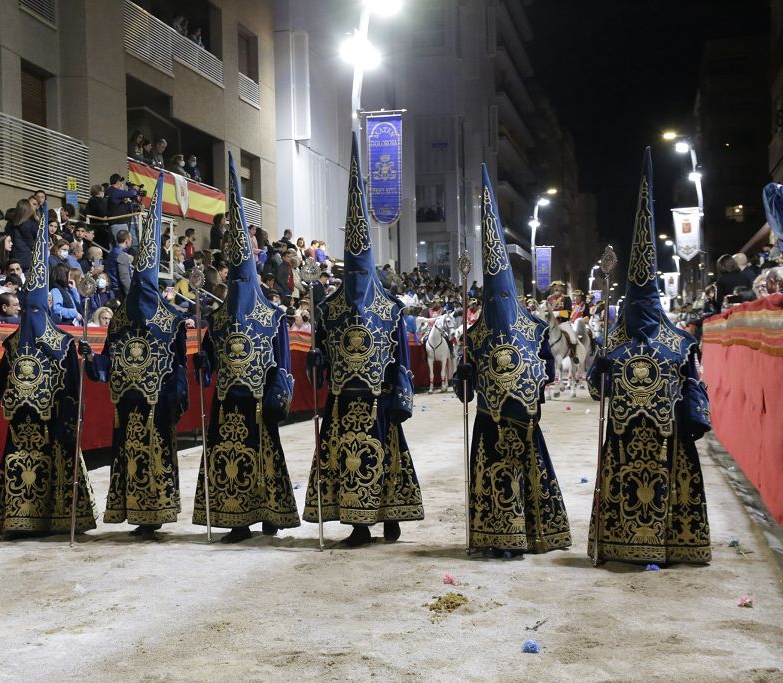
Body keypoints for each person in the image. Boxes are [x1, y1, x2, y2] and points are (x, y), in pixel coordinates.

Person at [587, 148, 711, 565]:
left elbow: (694, 387)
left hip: (666, 444)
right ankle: (620, 542)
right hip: (623, 445)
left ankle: (673, 543)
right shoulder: (612, 345)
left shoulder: (679, 344)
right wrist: (599, 370)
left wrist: (695, 416)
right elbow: (593, 390)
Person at [304, 135, 423, 547]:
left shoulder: (390, 308)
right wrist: (316, 360)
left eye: (360, 273)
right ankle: (358, 524)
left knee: (385, 461)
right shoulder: (330, 309)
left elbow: (402, 358)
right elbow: (321, 347)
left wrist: (400, 396)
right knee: (349, 463)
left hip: (379, 400)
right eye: (349, 274)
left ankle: (389, 518)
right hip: (341, 402)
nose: (354, 282)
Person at [451, 165, 571, 555]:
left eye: (505, 299)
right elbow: (463, 392)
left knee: (527, 477)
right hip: (487, 420)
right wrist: (464, 376)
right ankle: (493, 538)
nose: (499, 306)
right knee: (492, 479)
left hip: (523, 420)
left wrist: (534, 382)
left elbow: (548, 370)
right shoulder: (474, 334)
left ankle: (530, 536)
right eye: (494, 300)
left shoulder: (535, 328)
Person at [192, 154, 299, 542]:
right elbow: (207, 356)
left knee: (265, 459)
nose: (236, 289)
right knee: (229, 461)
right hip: (226, 405)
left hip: (259, 403)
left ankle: (270, 516)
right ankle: (236, 520)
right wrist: (203, 360)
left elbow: (283, 362)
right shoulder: (218, 318)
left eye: (242, 281)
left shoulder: (272, 316)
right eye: (231, 282)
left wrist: (278, 395)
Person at [0, 202, 98, 536]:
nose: (28, 316)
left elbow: (72, 388)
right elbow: (0, 386)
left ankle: (59, 519)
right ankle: (17, 521)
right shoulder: (12, 345)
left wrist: (72, 420)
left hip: (53, 423)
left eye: (35, 309)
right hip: (20, 425)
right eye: (24, 309)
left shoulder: (62, 343)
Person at [84, 174, 189, 539]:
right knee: (128, 456)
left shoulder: (172, 320)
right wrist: (91, 360)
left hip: (157, 404)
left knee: (156, 455)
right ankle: (132, 511)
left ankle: (156, 513)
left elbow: (178, 364)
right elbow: (108, 361)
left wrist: (177, 395)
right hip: (126, 404)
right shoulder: (120, 320)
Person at [105, 229, 133, 301]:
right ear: (127, 241)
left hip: (111, 289)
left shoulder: (111, 252)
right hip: (118, 292)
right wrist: (130, 294)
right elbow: (124, 277)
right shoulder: (122, 255)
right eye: (131, 240)